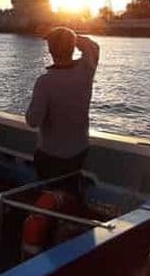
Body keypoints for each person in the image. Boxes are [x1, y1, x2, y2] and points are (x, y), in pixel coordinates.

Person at [25, 28, 100, 180]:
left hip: (51, 154)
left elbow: (33, 121)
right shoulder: (86, 70)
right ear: (73, 48)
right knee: (71, 187)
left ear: (50, 50)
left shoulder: (45, 82)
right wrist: (71, 37)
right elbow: (93, 47)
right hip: (80, 148)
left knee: (52, 193)